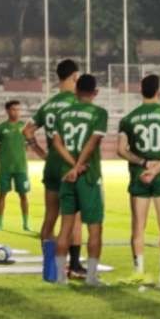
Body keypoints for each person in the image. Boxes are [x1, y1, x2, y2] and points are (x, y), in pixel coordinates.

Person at [117, 74, 160, 285]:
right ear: (159, 91)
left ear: (140, 90)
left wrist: (144, 164)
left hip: (139, 176)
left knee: (138, 228)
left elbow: (121, 150)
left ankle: (139, 272)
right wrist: (157, 168)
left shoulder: (128, 119)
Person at [24, 59, 86, 278]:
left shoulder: (49, 104)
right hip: (70, 165)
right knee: (73, 218)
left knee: (50, 216)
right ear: (75, 77)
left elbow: (27, 130)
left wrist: (41, 153)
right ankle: (74, 266)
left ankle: (49, 265)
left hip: (51, 166)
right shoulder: (77, 102)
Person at [52, 73, 109, 286]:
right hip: (89, 175)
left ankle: (60, 277)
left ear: (75, 91)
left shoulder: (63, 113)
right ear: (95, 92)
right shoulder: (99, 112)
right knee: (94, 227)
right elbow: (93, 142)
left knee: (65, 226)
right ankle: (92, 277)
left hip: (66, 176)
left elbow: (57, 144)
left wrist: (71, 165)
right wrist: (79, 166)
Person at [0, 99, 31, 232]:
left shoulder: (24, 127)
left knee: (24, 195)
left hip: (21, 167)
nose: (17, 112)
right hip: (5, 168)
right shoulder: (0, 128)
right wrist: (4, 159)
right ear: (8, 111)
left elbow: (27, 146)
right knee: (2, 194)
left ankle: (26, 224)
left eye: (18, 109)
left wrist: (19, 157)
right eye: (14, 109)